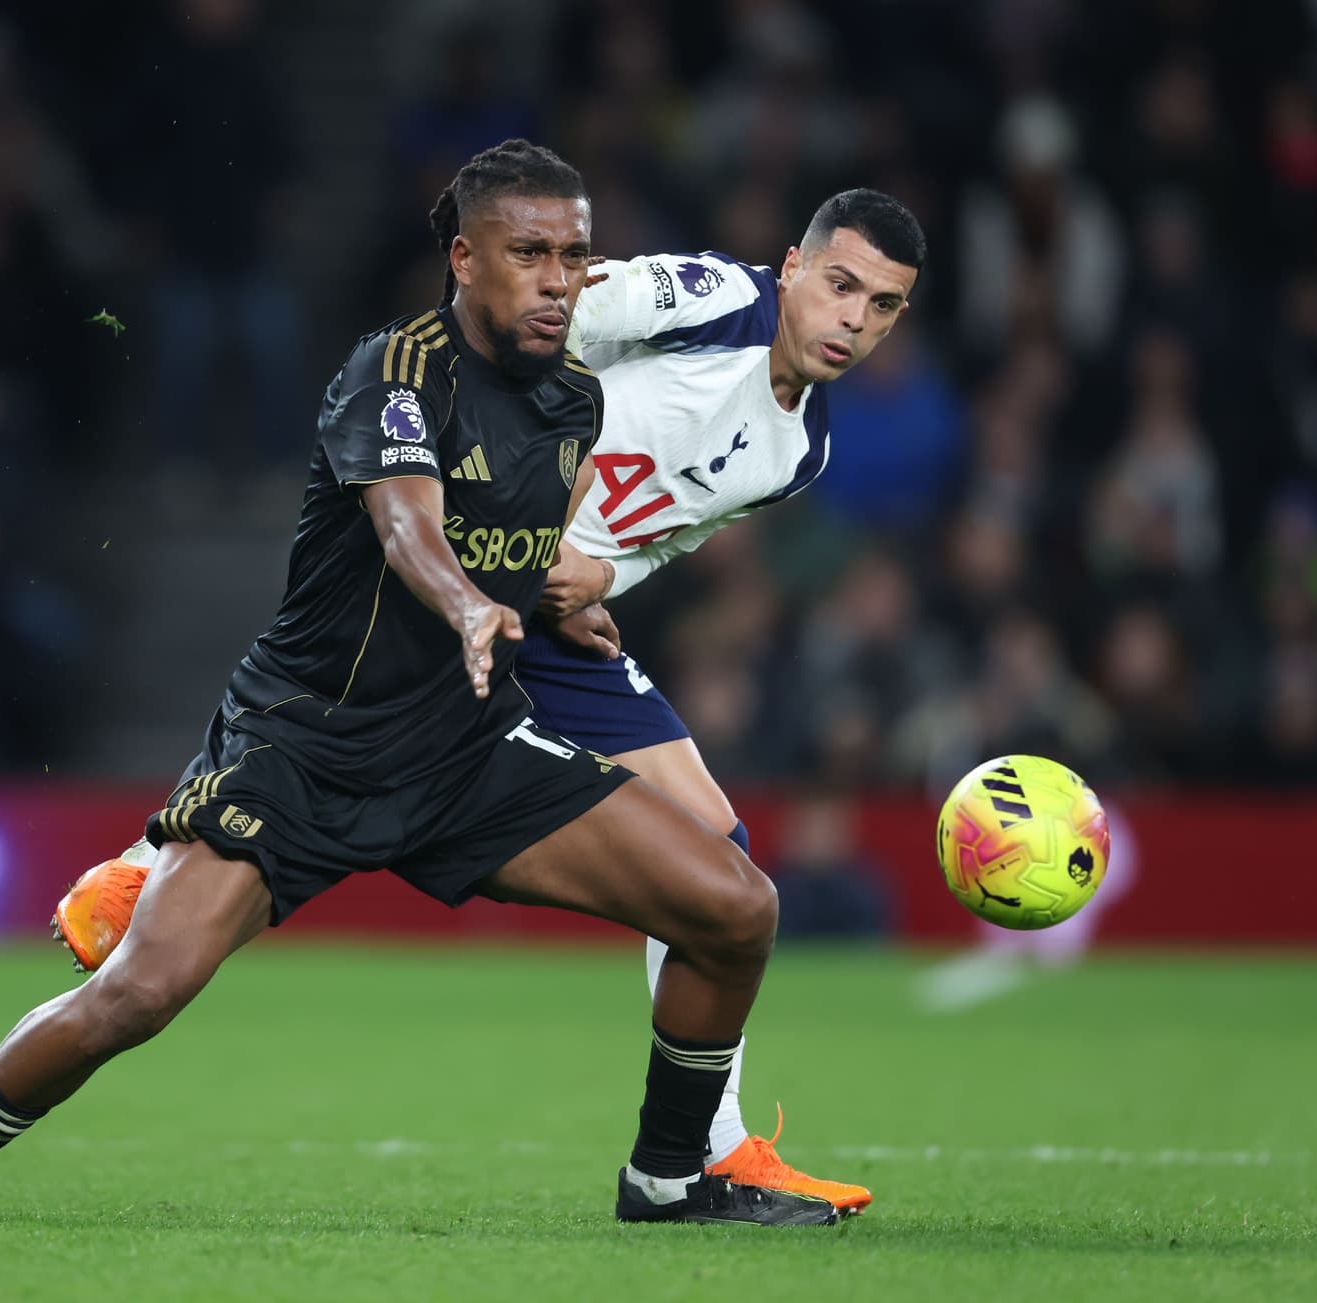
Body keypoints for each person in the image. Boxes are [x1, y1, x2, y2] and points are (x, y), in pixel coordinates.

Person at [0, 140, 839, 1229]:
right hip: (306, 745)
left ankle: (670, 1177)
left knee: (735, 907)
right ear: (464, 259)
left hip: (467, 751)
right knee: (139, 993)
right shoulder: (393, 371)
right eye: (531, 252)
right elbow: (408, 524)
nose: (560, 279)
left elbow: (523, 527)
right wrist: (467, 606)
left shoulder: (573, 401)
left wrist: (562, 598)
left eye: (575, 256)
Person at [57, 189, 925, 1211]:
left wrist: (601, 579)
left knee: (716, 857)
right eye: (840, 286)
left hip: (554, 621)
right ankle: (151, 862)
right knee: (336, 743)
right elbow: (526, 324)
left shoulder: (802, 448)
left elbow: (664, 534)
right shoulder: (710, 298)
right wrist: (507, 510)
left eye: (883, 307)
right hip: (470, 556)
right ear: (792, 268)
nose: (853, 322)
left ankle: (705, 1154)